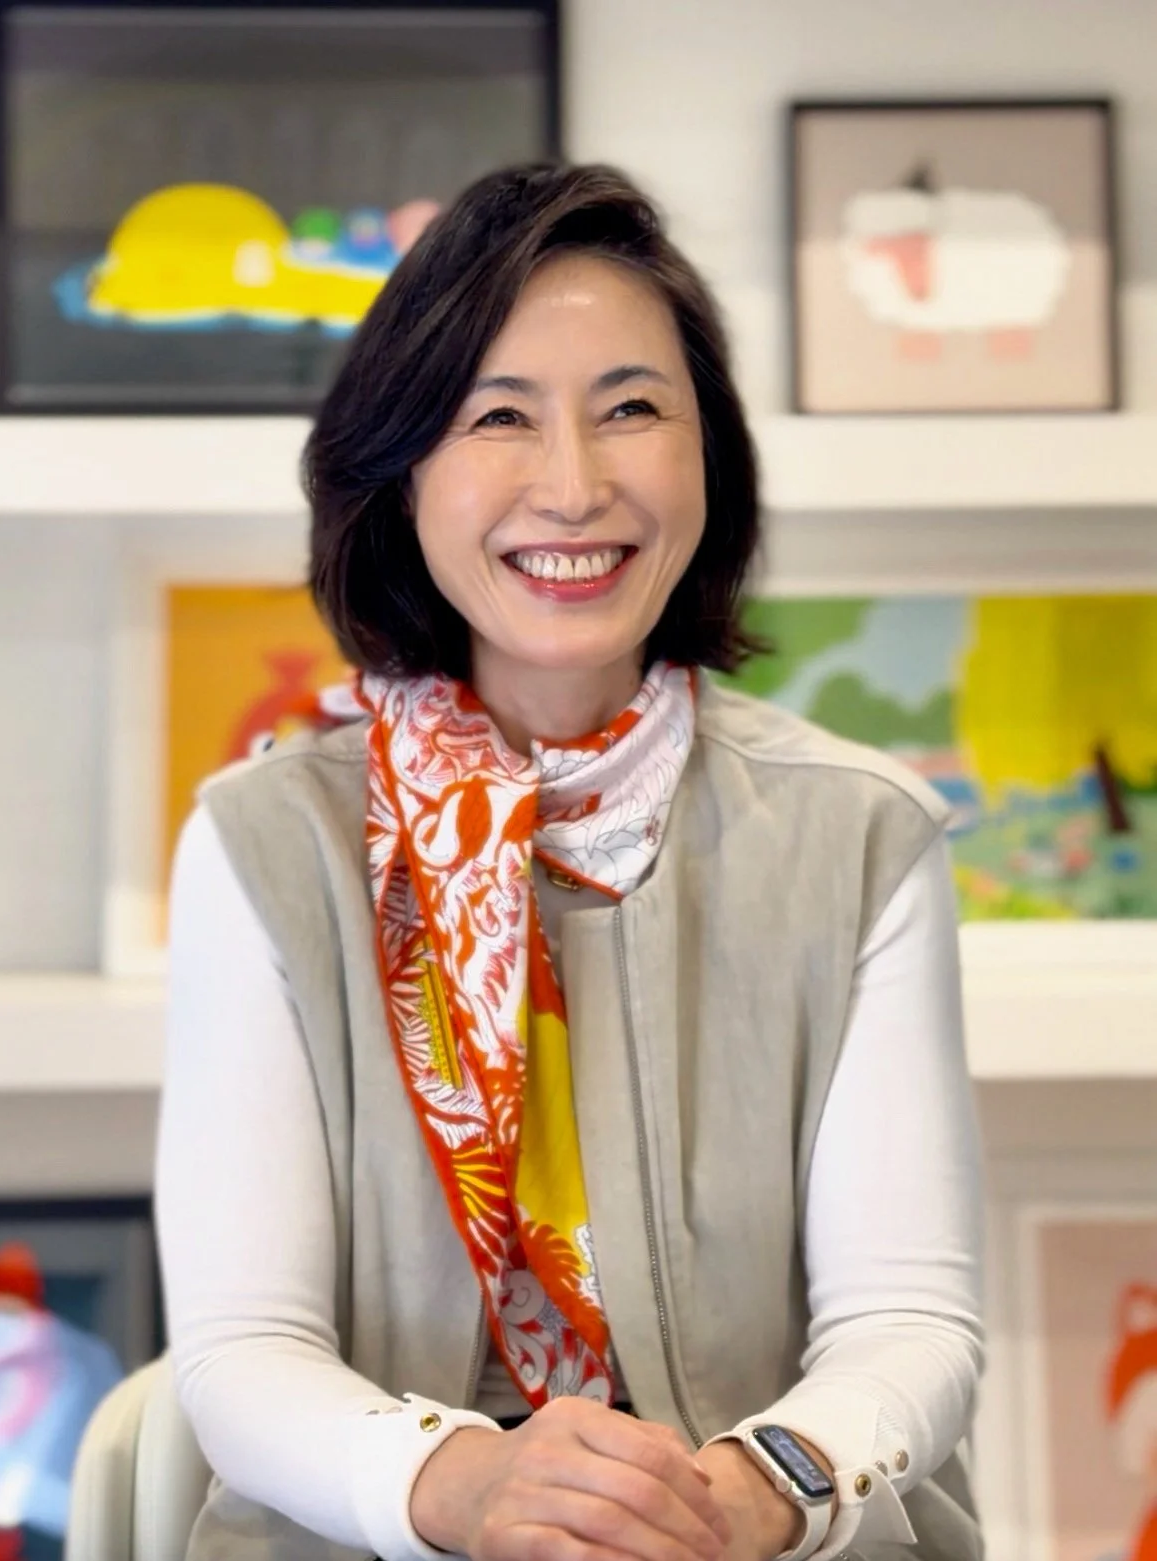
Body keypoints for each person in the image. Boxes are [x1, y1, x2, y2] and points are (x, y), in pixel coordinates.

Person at [156, 163, 985, 1561]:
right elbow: (245, 1353)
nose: (574, 485)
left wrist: (748, 1495)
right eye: (499, 417)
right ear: (402, 470)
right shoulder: (265, 840)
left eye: (631, 409)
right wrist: (472, 1490)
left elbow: (908, 1320)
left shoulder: (860, 833)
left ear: (708, 456)